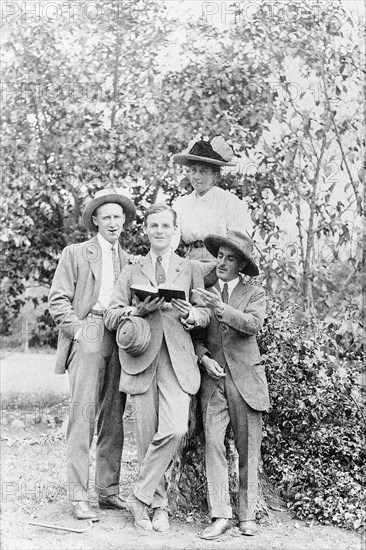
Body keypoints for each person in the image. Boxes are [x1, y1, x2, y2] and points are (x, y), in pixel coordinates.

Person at [104, 203, 210, 532]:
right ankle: (156, 506)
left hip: (177, 360)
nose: (160, 231)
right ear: (146, 231)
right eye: (154, 226)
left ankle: (138, 495)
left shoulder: (190, 269)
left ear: (175, 231)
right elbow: (110, 315)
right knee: (147, 435)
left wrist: (192, 315)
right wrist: (135, 312)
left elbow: (205, 314)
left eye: (166, 226)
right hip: (141, 359)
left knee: (176, 428)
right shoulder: (132, 271)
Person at [48, 188, 136, 522]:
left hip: (120, 337)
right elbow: (58, 300)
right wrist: (80, 330)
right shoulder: (75, 253)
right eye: (106, 217)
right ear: (95, 221)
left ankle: (109, 491)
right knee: (82, 414)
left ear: (124, 221)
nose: (113, 223)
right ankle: (77, 496)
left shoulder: (130, 260)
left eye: (118, 217)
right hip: (89, 333)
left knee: (114, 416)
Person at [193, 230, 270, 539]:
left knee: (248, 448)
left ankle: (247, 516)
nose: (222, 262)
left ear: (242, 264)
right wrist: (203, 358)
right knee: (213, 443)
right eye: (220, 256)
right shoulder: (203, 291)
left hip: (246, 382)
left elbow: (253, 325)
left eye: (230, 258)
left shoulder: (255, 294)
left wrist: (222, 309)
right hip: (214, 381)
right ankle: (221, 514)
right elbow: (195, 336)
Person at [172, 135, 253, 281]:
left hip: (220, 265)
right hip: (189, 262)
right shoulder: (181, 203)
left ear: (216, 175)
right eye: (193, 170)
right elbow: (172, 237)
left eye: (203, 171)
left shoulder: (230, 202)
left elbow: (241, 241)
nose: (196, 177)